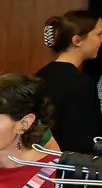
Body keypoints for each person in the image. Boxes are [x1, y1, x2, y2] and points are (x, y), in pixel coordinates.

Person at [36, 10, 102, 155]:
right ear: (77, 40)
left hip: (39, 165)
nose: (101, 40)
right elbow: (83, 144)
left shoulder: (39, 76)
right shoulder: (82, 85)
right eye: (99, 34)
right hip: (66, 170)